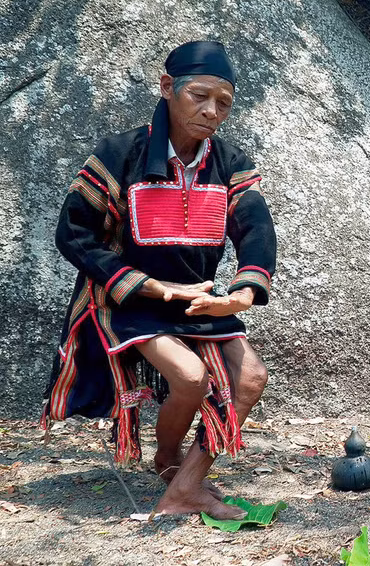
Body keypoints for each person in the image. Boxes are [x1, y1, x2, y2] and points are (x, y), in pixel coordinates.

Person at [43, 41, 276, 520]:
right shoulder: (119, 154)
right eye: (199, 96)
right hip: (129, 300)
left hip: (195, 300)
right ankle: (171, 463)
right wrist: (151, 287)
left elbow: (255, 227)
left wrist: (242, 294)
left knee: (251, 377)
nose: (211, 111)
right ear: (168, 87)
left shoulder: (230, 162)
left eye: (224, 103)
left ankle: (183, 483)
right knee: (189, 377)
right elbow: (73, 235)